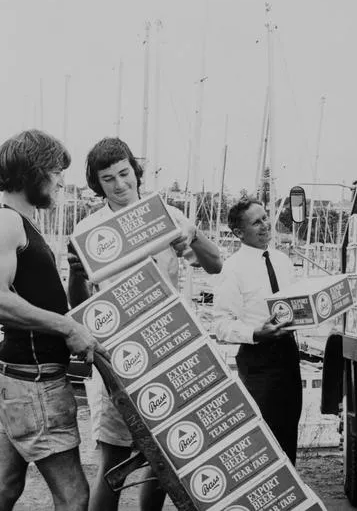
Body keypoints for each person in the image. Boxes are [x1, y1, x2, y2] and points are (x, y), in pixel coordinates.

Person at [67, 137, 222, 511]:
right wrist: (75, 271)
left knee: (164, 457)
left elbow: (216, 264)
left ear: (136, 173)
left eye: (124, 174)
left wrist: (192, 234)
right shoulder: (90, 230)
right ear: (97, 184)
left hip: (172, 348)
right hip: (118, 355)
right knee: (114, 461)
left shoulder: (166, 214)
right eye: (108, 179)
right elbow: (79, 303)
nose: (120, 185)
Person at [0, 130, 106, 511]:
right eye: (55, 171)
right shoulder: (4, 224)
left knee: (5, 486)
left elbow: (30, 297)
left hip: (19, 378)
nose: (62, 181)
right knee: (74, 495)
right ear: (33, 173)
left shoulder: (22, 223)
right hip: (34, 383)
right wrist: (68, 327)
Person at [212, 198, 302, 464]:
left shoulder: (283, 261)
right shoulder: (233, 269)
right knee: (264, 438)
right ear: (239, 233)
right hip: (258, 358)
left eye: (265, 218)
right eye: (256, 222)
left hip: (288, 354)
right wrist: (255, 333)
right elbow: (220, 324)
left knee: (288, 431)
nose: (265, 226)